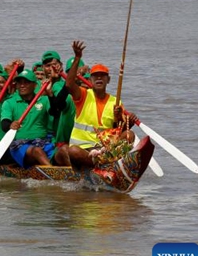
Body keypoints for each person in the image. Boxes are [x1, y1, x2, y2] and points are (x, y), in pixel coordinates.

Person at [53, 41, 137, 169]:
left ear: (108, 80)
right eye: (95, 76)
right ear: (90, 80)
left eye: (102, 76)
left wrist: (124, 118)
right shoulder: (84, 95)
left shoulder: (116, 102)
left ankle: (107, 162)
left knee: (129, 135)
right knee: (73, 151)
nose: (99, 79)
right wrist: (77, 58)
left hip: (105, 149)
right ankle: (103, 166)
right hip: (84, 150)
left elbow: (121, 129)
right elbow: (69, 85)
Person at [0, 69, 66, 168]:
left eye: (26, 83)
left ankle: (76, 173)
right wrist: (11, 125)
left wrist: (50, 94)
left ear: (35, 85)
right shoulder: (9, 102)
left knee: (63, 150)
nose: (22, 85)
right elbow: (4, 124)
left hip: (43, 142)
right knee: (37, 151)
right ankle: (53, 173)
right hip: (20, 145)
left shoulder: (44, 100)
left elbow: (55, 112)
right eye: (19, 83)